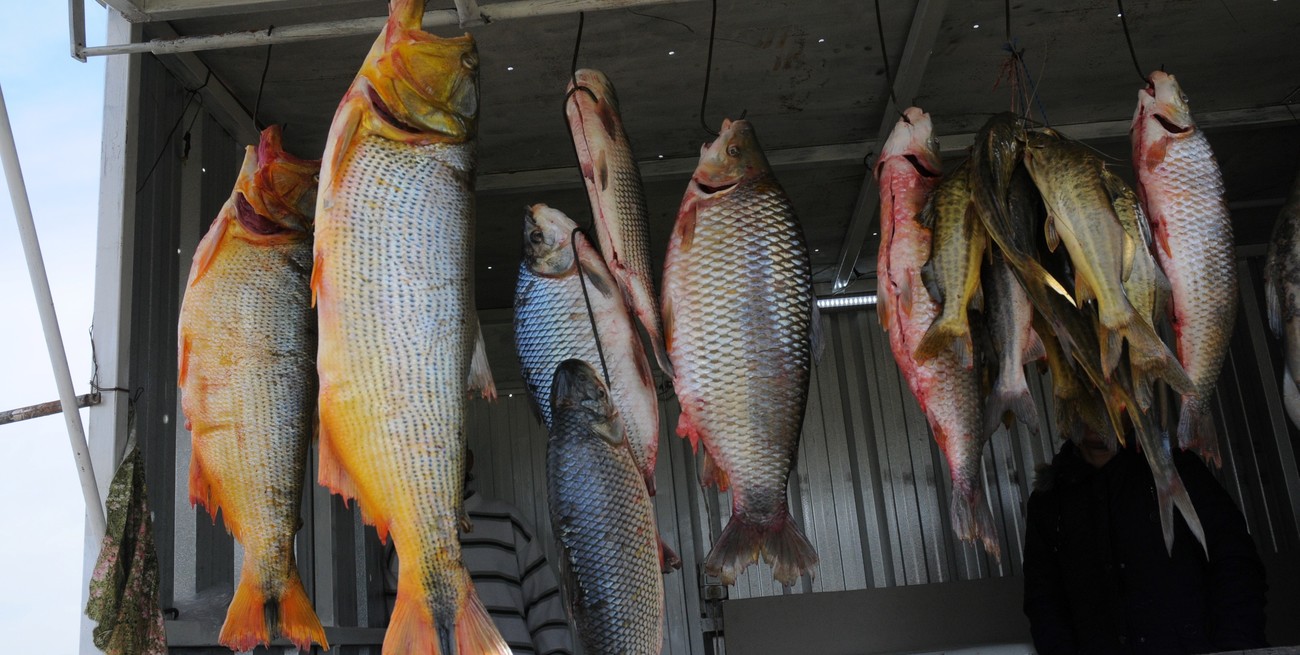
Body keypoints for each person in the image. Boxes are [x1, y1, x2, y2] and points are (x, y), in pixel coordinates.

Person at [1022, 431, 1269, 654]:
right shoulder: (1049, 501)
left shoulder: (1176, 470)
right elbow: (1044, 601)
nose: (1092, 409)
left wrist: (1234, 649)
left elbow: (1235, 562)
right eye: (1081, 394)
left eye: (1103, 392)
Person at [384, 450, 575, 655]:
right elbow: (402, 634)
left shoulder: (507, 521)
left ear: (468, 459)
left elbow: (546, 608)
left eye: (447, 448)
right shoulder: (404, 536)